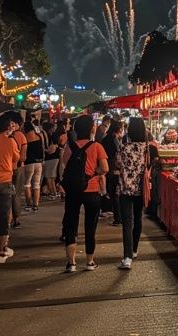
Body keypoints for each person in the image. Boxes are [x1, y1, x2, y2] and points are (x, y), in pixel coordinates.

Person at [62, 115, 109, 273]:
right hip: (91, 190)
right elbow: (105, 168)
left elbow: (65, 164)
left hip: (73, 190)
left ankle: (71, 263)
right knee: (90, 226)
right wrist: (93, 172)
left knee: (71, 224)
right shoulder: (97, 147)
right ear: (92, 129)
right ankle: (89, 261)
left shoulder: (70, 147)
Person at [116, 117, 158, 269]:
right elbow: (153, 164)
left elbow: (118, 165)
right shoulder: (148, 148)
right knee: (138, 219)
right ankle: (134, 250)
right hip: (141, 188)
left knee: (127, 222)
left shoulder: (123, 148)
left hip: (125, 189)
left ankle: (127, 257)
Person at [0, 113, 20, 263]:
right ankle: (1, 250)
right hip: (4, 181)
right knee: (4, 215)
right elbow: (16, 158)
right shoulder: (10, 142)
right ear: (7, 127)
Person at [6, 112, 27, 228]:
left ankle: (8, 220)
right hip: (18, 168)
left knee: (6, 196)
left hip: (6, 169)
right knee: (16, 195)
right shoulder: (21, 136)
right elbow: (23, 157)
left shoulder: (3, 135)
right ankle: (17, 219)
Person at [101, 120, 124, 226]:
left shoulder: (106, 138)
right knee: (115, 194)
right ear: (118, 129)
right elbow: (118, 154)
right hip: (113, 169)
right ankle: (118, 218)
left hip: (108, 167)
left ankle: (116, 216)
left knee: (111, 192)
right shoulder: (114, 139)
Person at [23, 122, 44, 211]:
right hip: (39, 163)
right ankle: (36, 205)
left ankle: (28, 204)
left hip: (29, 163)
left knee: (27, 184)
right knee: (36, 184)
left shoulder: (25, 137)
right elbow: (42, 148)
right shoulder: (39, 136)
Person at [42, 122, 59, 199]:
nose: (54, 128)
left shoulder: (47, 135)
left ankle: (52, 193)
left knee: (48, 176)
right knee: (52, 177)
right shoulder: (53, 135)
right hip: (55, 157)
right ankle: (54, 192)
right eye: (53, 127)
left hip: (50, 157)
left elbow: (47, 148)